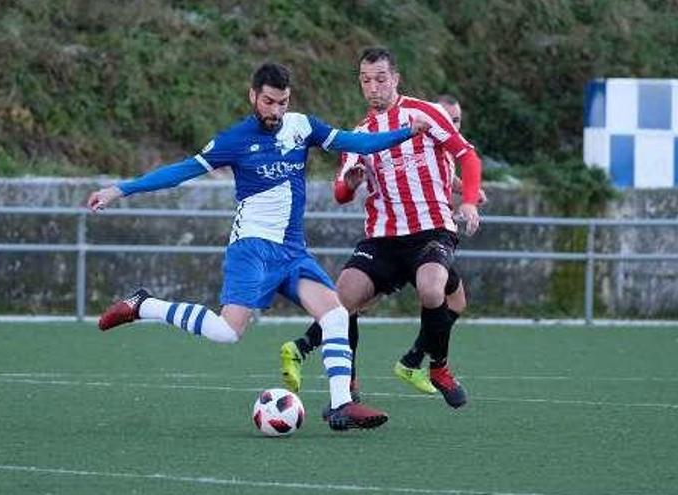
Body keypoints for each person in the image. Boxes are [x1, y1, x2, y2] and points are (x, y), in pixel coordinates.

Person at [87, 62, 428, 431]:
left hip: (293, 251)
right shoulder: (234, 139)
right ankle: (145, 305)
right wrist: (120, 189)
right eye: (268, 102)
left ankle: (341, 404)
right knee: (227, 332)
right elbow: (179, 172)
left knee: (335, 315)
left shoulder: (302, 127)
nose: (275, 111)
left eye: (282, 102)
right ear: (253, 96)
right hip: (253, 248)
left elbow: (355, 142)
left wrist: (405, 132)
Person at [278, 48, 484, 410]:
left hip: (432, 229)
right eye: (365, 80)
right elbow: (341, 192)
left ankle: (438, 368)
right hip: (383, 238)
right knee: (341, 299)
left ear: (396, 78)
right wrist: (352, 184)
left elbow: (467, 155)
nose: (373, 87)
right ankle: (348, 387)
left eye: (380, 79)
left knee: (433, 288)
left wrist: (467, 200)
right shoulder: (359, 135)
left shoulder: (425, 114)